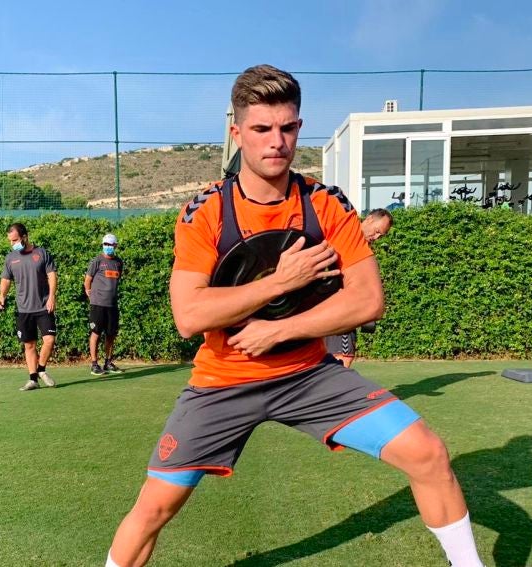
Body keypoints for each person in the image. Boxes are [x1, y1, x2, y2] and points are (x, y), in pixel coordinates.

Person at [104, 65, 483, 567]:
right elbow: (188, 316)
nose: (276, 142)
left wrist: (281, 329)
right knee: (154, 507)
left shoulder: (324, 204)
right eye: (261, 129)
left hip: (308, 375)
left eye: (287, 127)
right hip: (222, 382)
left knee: (428, 453)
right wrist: (281, 282)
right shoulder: (207, 212)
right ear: (237, 133)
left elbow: (368, 301)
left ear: (299, 128)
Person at [325, 207, 393, 367]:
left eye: (380, 235)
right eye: (376, 231)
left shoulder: (362, 249)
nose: (376, 237)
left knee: (337, 357)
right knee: (342, 357)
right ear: (369, 219)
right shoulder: (343, 236)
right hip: (338, 309)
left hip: (338, 309)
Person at [0, 222, 58, 391]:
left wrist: (52, 296)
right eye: (10, 241)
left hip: (44, 306)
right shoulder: (10, 258)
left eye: (15, 240)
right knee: (29, 345)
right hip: (23, 309)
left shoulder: (42, 253)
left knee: (49, 340)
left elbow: (52, 275)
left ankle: (41, 369)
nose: (12, 244)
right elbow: (6, 280)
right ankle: (33, 379)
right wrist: (2, 295)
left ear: (24, 237)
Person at [85, 233, 124, 376]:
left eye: (110, 245)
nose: (107, 247)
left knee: (111, 335)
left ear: (115, 246)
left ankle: (108, 362)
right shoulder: (97, 261)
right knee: (95, 333)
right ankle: (94, 364)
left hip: (112, 305)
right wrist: (90, 294)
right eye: (105, 244)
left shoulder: (118, 262)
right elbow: (87, 280)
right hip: (98, 305)